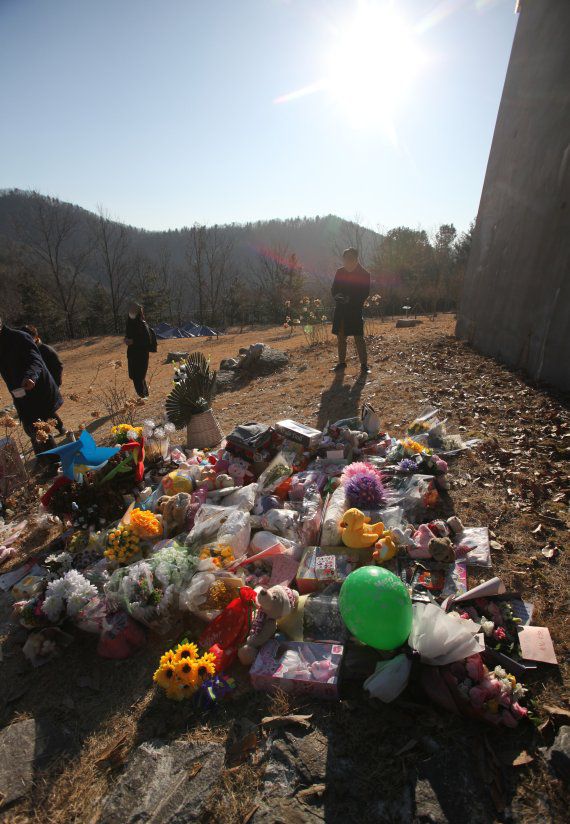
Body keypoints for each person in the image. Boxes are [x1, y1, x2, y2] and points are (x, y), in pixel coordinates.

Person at [0, 317, 63, 455]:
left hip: (37, 388)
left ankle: (53, 462)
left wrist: (30, 376)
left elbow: (35, 360)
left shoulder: (19, 338)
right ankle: (43, 459)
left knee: (37, 427)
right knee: (30, 427)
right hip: (19, 393)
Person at [331, 248, 371, 373]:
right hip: (341, 310)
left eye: (349, 258)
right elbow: (334, 289)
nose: (347, 260)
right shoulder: (340, 272)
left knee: (359, 338)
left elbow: (365, 293)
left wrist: (350, 299)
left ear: (355, 258)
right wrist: (337, 296)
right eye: (345, 258)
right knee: (341, 338)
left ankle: (364, 365)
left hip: (355, 310)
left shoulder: (364, 274)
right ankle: (341, 363)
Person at [20, 325, 65, 435]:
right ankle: (51, 433)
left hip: (48, 386)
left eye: (28, 337)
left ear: (36, 337)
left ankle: (57, 430)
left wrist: (55, 383)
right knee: (42, 411)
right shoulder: (27, 351)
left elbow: (58, 366)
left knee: (46, 410)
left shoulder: (45, 349)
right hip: (34, 387)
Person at [124, 302, 154, 397]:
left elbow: (146, 340)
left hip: (141, 354)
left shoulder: (142, 324)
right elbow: (128, 336)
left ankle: (143, 397)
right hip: (132, 353)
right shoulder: (130, 323)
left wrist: (133, 341)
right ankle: (144, 396)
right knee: (134, 376)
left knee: (139, 376)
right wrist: (126, 340)